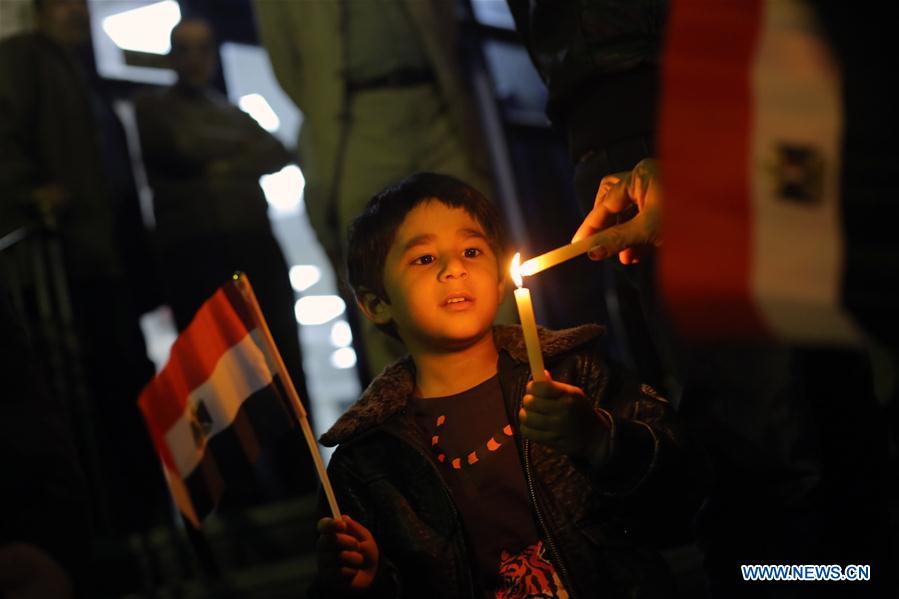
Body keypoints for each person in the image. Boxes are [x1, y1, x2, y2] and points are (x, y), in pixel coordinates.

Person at [309, 173, 699, 597]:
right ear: (377, 303)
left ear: (499, 282)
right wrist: (369, 582)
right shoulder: (372, 459)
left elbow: (684, 490)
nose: (454, 268)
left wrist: (598, 438)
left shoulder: (575, 374)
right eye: (423, 259)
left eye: (472, 251)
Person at [253, 0, 495, 382]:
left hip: (434, 101)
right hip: (355, 116)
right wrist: (327, 106)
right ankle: (410, 424)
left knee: (477, 247)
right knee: (377, 268)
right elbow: (288, 61)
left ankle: (513, 395)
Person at [135, 17, 317, 497]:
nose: (196, 59)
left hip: (249, 246)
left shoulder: (227, 110)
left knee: (278, 363)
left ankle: (298, 481)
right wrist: (236, 153)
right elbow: (181, 146)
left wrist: (215, 160)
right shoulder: (155, 108)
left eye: (203, 49)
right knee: (214, 374)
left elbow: (278, 151)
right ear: (173, 55)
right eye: (186, 49)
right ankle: (240, 492)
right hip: (196, 253)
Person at [0, 0, 162, 534]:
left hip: (101, 260)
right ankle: (119, 524)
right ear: (40, 11)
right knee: (92, 396)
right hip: (66, 265)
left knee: (126, 391)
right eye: (62, 2)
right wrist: (31, 194)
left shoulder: (78, 71)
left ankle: (145, 517)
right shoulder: (27, 57)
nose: (76, 11)